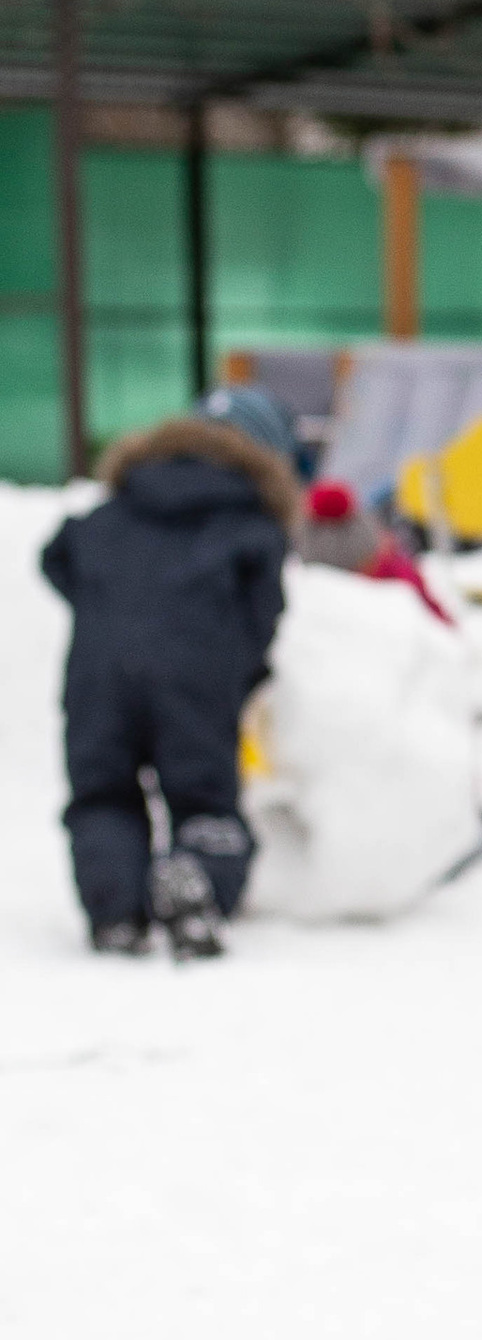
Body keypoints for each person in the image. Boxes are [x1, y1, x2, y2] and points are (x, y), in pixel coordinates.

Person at [39, 384, 297, 958]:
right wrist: (245, 671)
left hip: (97, 677)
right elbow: (264, 610)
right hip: (198, 679)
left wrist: (104, 608)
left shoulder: (117, 506)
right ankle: (198, 882)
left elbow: (57, 554)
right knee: (203, 797)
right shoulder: (251, 521)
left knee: (103, 793)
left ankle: (115, 911)